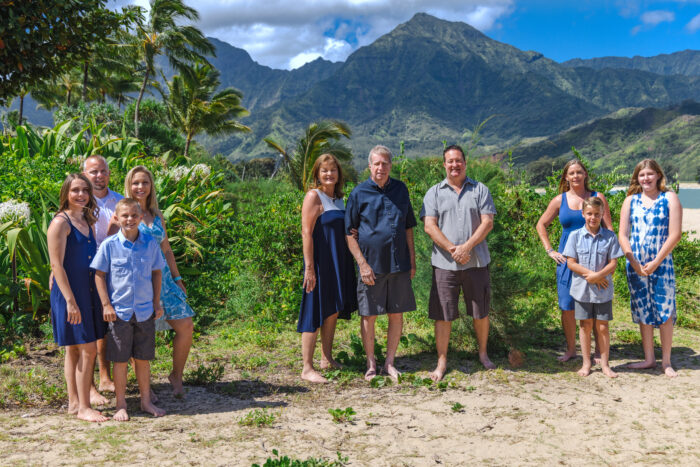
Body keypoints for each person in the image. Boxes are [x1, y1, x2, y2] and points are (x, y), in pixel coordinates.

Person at [421, 145, 497, 381]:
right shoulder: (434, 192)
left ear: (465, 163)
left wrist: (466, 247)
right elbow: (429, 226)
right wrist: (453, 249)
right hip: (445, 264)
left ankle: (483, 354)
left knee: (480, 311)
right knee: (443, 314)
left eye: (458, 161)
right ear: (444, 164)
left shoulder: (480, 190)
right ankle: (442, 360)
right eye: (450, 161)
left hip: (476, 262)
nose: (455, 165)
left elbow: (487, 223)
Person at [345, 145, 417, 381]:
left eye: (385, 163)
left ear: (390, 166)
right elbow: (349, 234)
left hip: (399, 265)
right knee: (369, 316)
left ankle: (389, 363)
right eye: (376, 163)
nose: (381, 167)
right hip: (371, 268)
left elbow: (408, 228)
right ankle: (371, 364)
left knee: (397, 314)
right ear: (369, 166)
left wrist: (412, 261)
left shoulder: (401, 190)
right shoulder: (358, 193)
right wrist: (362, 265)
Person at [92, 198, 166, 420]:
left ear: (140, 217)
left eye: (134, 215)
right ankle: (121, 405)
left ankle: (145, 401)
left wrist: (156, 302)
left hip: (144, 311)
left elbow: (156, 272)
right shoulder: (109, 245)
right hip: (119, 312)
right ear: (117, 218)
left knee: (143, 359)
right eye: (125, 216)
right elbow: (99, 275)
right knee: (120, 360)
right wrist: (106, 304)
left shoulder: (150, 243)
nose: (130, 219)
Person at [125, 165, 195, 396]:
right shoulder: (124, 214)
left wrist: (177, 277)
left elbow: (166, 248)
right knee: (141, 331)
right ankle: (146, 386)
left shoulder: (157, 215)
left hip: (164, 279)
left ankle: (176, 374)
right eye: (136, 183)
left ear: (151, 186)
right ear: (129, 185)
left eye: (145, 182)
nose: (140, 187)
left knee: (185, 324)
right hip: (139, 281)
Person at [536, 159, 612, 361]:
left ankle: (598, 351)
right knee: (567, 305)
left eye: (579, 172)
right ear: (566, 177)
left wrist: (608, 262)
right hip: (567, 261)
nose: (576, 176)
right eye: (571, 173)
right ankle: (571, 349)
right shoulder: (559, 200)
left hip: (595, 261)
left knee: (595, 305)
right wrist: (550, 250)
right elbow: (541, 224)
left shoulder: (598, 197)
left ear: (585, 174)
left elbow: (610, 230)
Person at [47, 173, 108, 422]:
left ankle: (74, 403)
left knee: (74, 350)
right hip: (70, 294)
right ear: (66, 193)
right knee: (88, 349)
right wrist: (70, 301)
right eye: (75, 190)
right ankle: (84, 407)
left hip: (87, 291)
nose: (81, 194)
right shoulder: (60, 223)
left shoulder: (87, 218)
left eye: (85, 190)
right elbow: (56, 265)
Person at [618, 159, 682, 378]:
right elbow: (623, 235)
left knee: (665, 311)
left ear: (658, 175)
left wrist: (656, 262)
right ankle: (648, 359)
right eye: (641, 175)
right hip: (635, 265)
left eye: (649, 174)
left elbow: (675, 234)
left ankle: (666, 362)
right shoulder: (630, 201)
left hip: (662, 264)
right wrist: (634, 262)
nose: (646, 178)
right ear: (637, 178)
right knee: (643, 309)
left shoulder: (669, 198)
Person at [298, 154, 358, 383]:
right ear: (317, 174)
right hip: (320, 263)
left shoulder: (340, 199)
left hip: (338, 262)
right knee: (314, 309)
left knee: (332, 309)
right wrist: (309, 268)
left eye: (333, 170)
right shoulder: (314, 196)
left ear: (339, 174)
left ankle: (326, 358)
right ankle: (307, 367)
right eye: (324, 171)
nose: (329, 174)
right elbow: (306, 232)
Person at [563, 197, 623, 378]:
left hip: (603, 291)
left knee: (603, 327)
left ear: (602, 214)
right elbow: (571, 263)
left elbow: (613, 263)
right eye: (589, 214)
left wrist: (599, 276)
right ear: (583, 214)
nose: (593, 217)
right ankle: (586, 363)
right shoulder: (575, 236)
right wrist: (592, 276)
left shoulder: (610, 237)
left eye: (597, 214)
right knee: (585, 325)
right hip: (582, 291)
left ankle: (605, 364)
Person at [82, 154, 123, 397]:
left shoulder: (120, 201)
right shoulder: (78, 201)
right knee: (89, 325)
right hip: (84, 270)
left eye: (103, 171)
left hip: (114, 271)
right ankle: (90, 384)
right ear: (85, 174)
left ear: (109, 173)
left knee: (108, 324)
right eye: (93, 172)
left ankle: (106, 376)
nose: (99, 176)